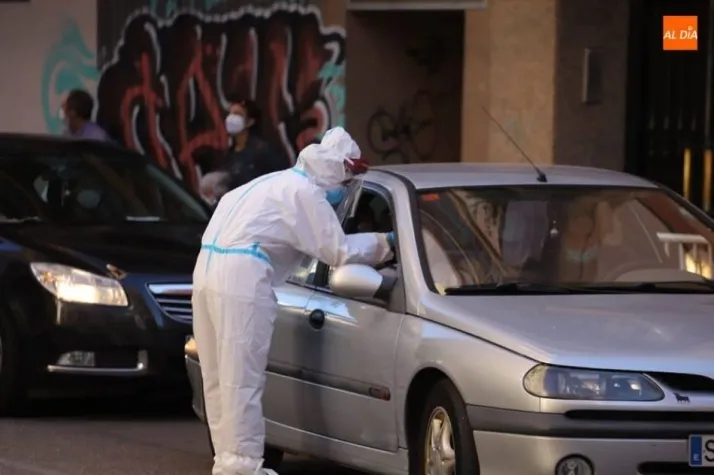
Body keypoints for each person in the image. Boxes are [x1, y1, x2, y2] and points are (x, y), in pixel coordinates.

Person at [192, 127, 395, 475]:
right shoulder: (304, 193)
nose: (345, 189)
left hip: (206, 271)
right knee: (242, 377)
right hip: (242, 276)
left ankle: (227, 464)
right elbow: (339, 251)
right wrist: (386, 242)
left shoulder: (269, 183)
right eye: (348, 180)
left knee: (217, 376)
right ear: (338, 168)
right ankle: (243, 468)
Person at [222, 97, 289, 191]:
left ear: (250, 122)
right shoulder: (229, 155)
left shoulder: (263, 151)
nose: (231, 118)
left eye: (237, 114)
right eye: (230, 113)